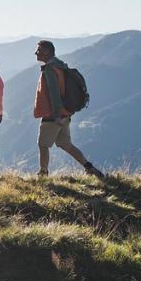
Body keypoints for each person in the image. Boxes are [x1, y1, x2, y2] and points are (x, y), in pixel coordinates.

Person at [33, 40, 105, 179]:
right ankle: (89, 167)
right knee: (66, 144)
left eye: (38, 50)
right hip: (65, 112)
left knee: (43, 145)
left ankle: (43, 174)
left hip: (54, 114)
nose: (36, 53)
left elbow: (54, 93)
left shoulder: (49, 69)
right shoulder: (60, 65)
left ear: (47, 51)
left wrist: (56, 115)